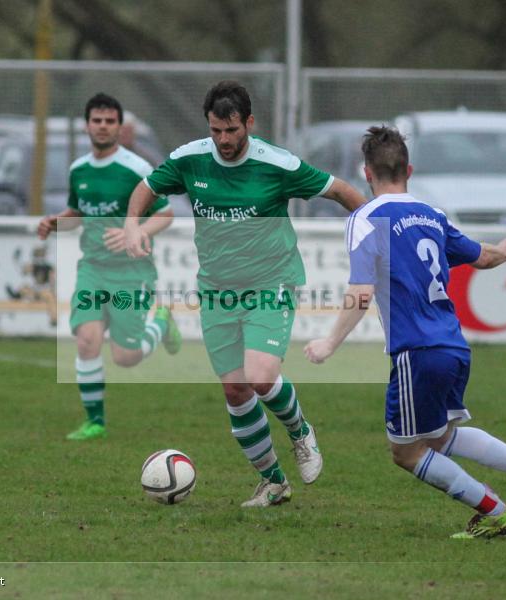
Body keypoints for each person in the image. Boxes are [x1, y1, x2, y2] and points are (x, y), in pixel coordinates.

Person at [304, 125, 506, 538]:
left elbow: (360, 292)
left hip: (416, 351)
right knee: (442, 436)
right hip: (453, 345)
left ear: (367, 173)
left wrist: (328, 342)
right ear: (408, 169)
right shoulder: (432, 214)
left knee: (406, 452)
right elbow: (480, 256)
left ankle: (495, 510)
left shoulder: (365, 219)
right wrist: (505, 250)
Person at [123, 81, 367, 507]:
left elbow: (343, 192)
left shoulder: (277, 163)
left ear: (249, 123)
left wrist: (374, 232)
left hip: (270, 281)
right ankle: (273, 483)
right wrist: (131, 223)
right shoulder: (190, 159)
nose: (224, 140)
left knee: (260, 374)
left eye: (232, 130)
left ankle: (300, 432)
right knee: (235, 390)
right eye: (216, 130)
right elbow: (147, 187)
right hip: (217, 289)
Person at [38, 93, 180, 441]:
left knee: (126, 357)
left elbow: (165, 214)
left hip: (132, 271)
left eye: (109, 121)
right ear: (88, 125)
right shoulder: (78, 170)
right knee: (87, 340)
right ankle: (95, 421)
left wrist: (136, 230)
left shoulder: (137, 169)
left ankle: (160, 321)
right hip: (93, 269)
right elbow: (78, 214)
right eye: (97, 120)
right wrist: (56, 222)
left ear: (119, 127)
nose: (102, 126)